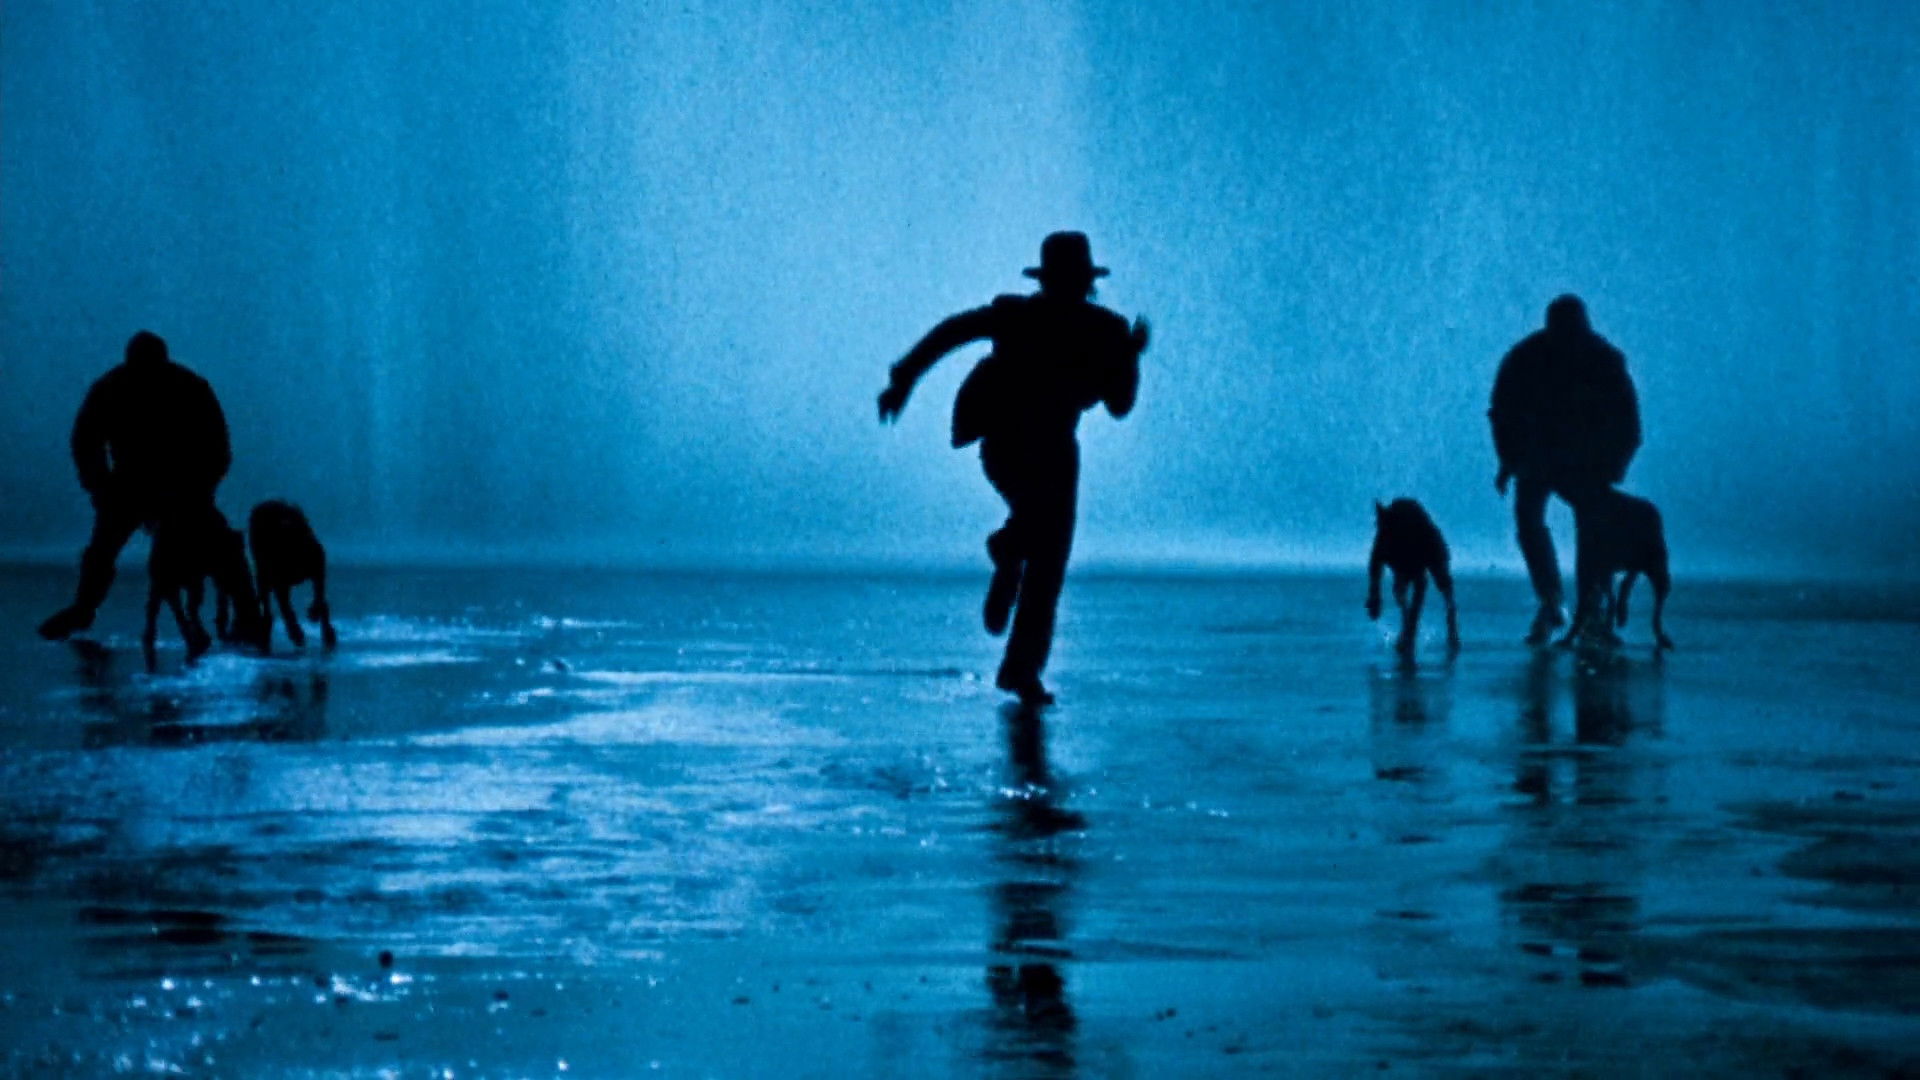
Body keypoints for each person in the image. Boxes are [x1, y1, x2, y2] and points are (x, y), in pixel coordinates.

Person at [878, 232, 1148, 705]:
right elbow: (951, 334)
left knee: (1047, 559)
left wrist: (1127, 356)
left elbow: (1119, 403)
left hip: (1033, 448)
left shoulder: (1092, 328)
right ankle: (1011, 560)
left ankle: (1021, 660)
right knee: (1046, 552)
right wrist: (902, 379)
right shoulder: (1060, 321)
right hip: (1020, 445)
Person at [38, 331, 232, 641]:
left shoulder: (115, 386)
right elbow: (217, 444)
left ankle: (84, 608)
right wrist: (99, 485)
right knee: (217, 546)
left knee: (104, 550)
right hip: (151, 484)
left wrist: (99, 485)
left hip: (158, 484)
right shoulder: (186, 385)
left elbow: (85, 441)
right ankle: (244, 610)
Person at [1488, 295, 1641, 643]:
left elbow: (1629, 424)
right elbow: (1502, 412)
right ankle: (1553, 601)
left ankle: (1591, 608)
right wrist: (1508, 459)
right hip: (1540, 455)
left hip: (1585, 459)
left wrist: (1614, 466)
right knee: (1531, 520)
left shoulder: (1604, 360)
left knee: (1591, 530)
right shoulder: (1525, 357)